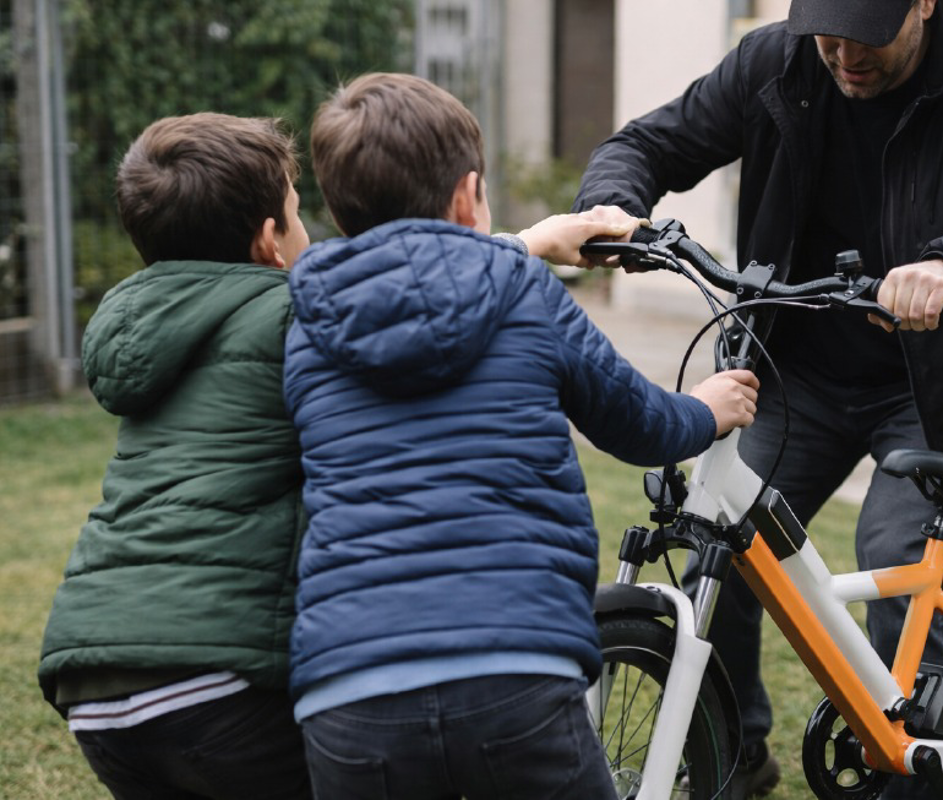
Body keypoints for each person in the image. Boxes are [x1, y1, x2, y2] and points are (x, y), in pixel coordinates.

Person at [572, 1, 943, 797]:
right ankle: (734, 753)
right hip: (795, 372)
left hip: (937, 387)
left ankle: (930, 779)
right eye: (827, 32)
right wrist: (614, 204)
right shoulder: (775, 62)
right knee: (722, 549)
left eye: (866, 34)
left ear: (922, 4)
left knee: (893, 560)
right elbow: (649, 143)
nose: (843, 54)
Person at [283, 71, 760, 800]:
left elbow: (415, 279)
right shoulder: (523, 290)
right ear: (468, 195)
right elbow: (639, 425)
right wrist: (705, 409)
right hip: (514, 668)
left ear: (337, 204)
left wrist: (527, 243)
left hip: (350, 691)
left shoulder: (308, 322)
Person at [37, 113, 315, 799]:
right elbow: (406, 294)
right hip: (216, 679)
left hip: (95, 682)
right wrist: (522, 246)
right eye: (297, 213)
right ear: (270, 241)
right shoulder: (293, 311)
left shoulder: (138, 325)